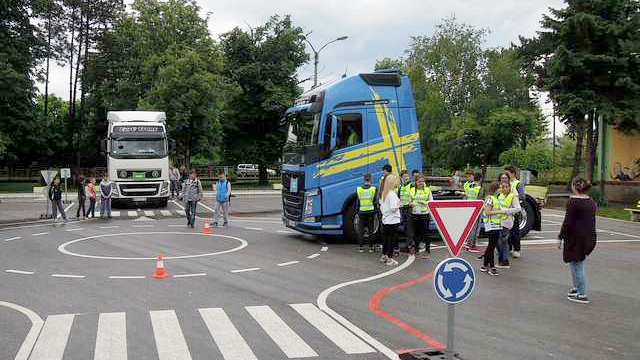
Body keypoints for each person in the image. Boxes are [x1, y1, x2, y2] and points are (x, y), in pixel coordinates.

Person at [558, 177, 597, 304]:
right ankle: (576, 288)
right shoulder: (591, 202)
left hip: (574, 238)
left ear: (575, 186)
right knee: (575, 263)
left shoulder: (572, 202)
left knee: (577, 265)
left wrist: (560, 237)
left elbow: (567, 222)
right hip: (587, 237)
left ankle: (582, 293)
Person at [494, 180, 521, 269]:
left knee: (503, 241)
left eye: (506, 187)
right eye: (503, 187)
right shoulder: (500, 196)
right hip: (499, 221)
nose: (504, 188)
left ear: (509, 188)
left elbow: (518, 209)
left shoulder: (512, 196)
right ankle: (502, 260)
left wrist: (506, 211)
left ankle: (504, 261)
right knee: (499, 241)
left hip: (507, 222)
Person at [480, 182, 503, 275]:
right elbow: (487, 212)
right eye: (500, 187)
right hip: (491, 225)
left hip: (496, 225)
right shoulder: (490, 198)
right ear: (496, 189)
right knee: (492, 246)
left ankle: (485, 265)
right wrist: (500, 211)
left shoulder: (496, 198)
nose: (501, 189)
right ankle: (491, 266)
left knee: (491, 245)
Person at [410, 174, 434, 258]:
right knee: (416, 233)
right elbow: (410, 200)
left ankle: (427, 250)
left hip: (424, 214)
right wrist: (410, 203)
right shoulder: (412, 190)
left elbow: (431, 202)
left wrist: (424, 202)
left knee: (426, 233)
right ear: (416, 182)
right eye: (419, 181)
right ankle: (416, 249)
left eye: (422, 181)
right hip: (415, 214)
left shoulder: (427, 190)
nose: (421, 183)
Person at [380, 173, 401, 266]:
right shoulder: (392, 194)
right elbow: (393, 208)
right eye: (396, 181)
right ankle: (390, 259)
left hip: (386, 219)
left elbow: (383, 207)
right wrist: (400, 205)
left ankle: (384, 256)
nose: (397, 182)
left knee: (386, 239)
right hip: (392, 220)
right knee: (391, 240)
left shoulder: (384, 193)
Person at [460, 172, 483, 253]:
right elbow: (481, 200)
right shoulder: (479, 188)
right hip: (476, 209)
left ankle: (468, 244)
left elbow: (466, 195)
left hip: (469, 208)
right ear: (480, 179)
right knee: (474, 228)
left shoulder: (470, 186)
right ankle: (471, 245)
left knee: (469, 227)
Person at [505, 166, 525, 258]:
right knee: (506, 230)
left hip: (514, 211)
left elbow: (522, 196)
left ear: (513, 173)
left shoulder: (517, 184)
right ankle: (507, 248)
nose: (505, 175)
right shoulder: (505, 183)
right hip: (506, 211)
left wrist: (512, 197)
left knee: (515, 231)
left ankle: (516, 249)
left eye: (507, 173)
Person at [356, 173, 377, 253]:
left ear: (363, 179)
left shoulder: (359, 189)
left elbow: (357, 203)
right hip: (371, 211)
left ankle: (361, 247)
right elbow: (375, 202)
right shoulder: (373, 189)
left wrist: (357, 211)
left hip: (361, 212)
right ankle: (371, 247)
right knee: (371, 229)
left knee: (361, 229)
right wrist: (376, 212)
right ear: (370, 179)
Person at [398, 170, 414, 241]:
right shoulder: (400, 187)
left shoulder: (411, 185)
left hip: (409, 208)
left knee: (409, 227)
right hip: (403, 209)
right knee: (405, 227)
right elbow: (399, 198)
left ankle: (410, 245)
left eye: (407, 176)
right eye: (404, 176)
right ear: (401, 178)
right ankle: (408, 244)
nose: (406, 178)